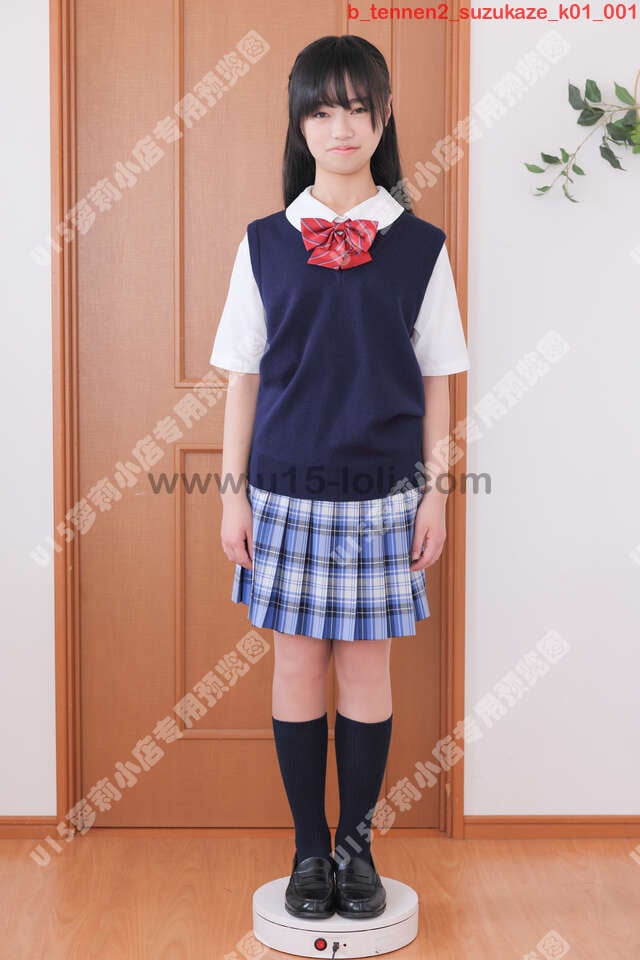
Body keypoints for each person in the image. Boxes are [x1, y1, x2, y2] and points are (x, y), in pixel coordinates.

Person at [208, 34, 470, 921]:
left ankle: (356, 851)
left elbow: (439, 381)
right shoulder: (263, 243)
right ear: (300, 124)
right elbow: (243, 379)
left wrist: (437, 494)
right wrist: (232, 495)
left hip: (384, 495)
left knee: (365, 671)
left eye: (358, 108)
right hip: (283, 490)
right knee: (295, 668)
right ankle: (307, 851)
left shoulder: (422, 246)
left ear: (385, 117)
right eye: (322, 110)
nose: (341, 126)